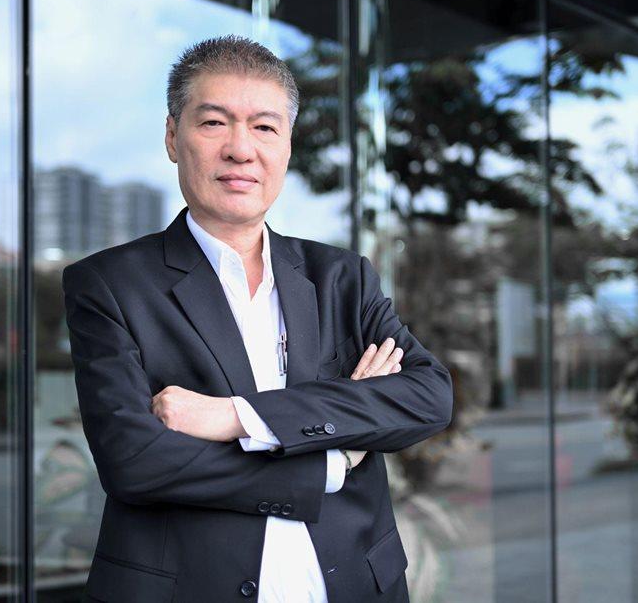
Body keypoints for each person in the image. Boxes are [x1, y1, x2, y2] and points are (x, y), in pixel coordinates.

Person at [62, 34, 453, 603]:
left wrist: (236, 417)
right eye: (214, 123)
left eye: (265, 127)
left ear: (287, 145)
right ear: (172, 137)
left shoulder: (341, 277)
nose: (241, 149)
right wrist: (335, 456)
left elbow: (427, 396)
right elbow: (136, 461)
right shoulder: (110, 284)